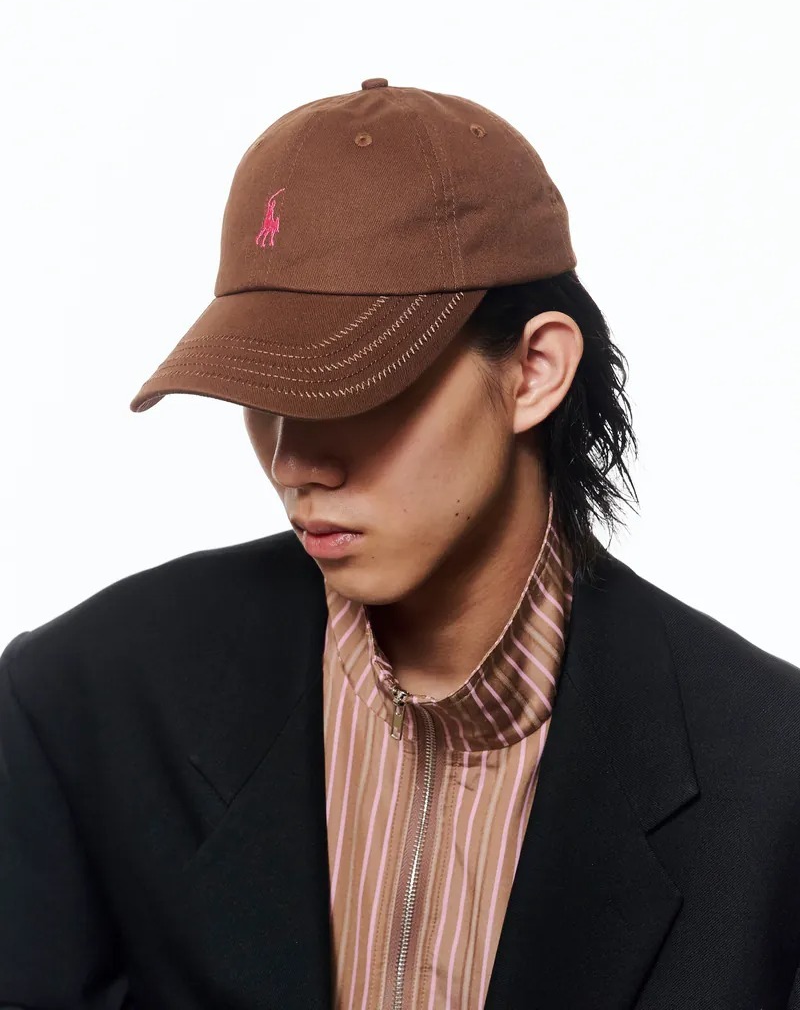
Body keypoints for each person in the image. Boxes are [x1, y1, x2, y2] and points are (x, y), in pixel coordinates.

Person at [1, 77, 798, 1010]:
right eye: (260, 393)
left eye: (355, 388)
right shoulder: (80, 702)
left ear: (534, 370)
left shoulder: (770, 777)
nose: (294, 462)